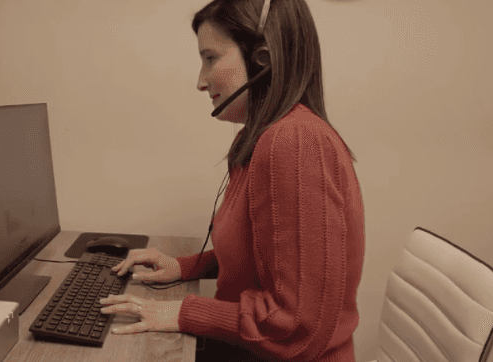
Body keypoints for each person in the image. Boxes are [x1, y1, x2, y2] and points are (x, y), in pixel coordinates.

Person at [99, 0, 365, 361]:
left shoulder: (295, 143)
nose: (200, 80)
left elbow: (297, 324)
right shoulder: (257, 139)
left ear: (263, 59)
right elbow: (263, 257)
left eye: (210, 58)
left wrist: (181, 312)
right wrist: (183, 266)